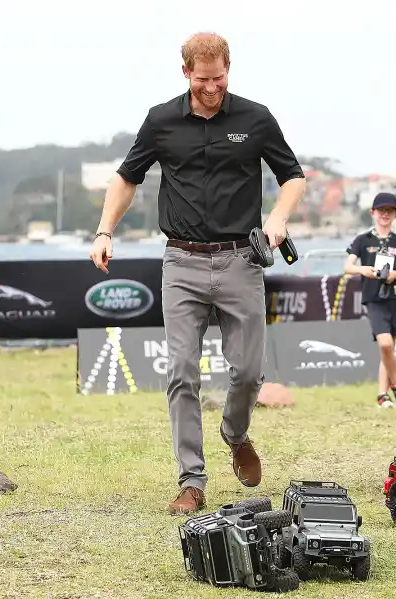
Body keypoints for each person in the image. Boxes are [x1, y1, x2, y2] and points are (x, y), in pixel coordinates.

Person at [88, 32, 306, 515]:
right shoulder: (161, 120)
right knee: (181, 372)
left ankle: (235, 432)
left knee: (248, 372)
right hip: (181, 262)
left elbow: (292, 175)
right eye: (204, 79)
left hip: (241, 261)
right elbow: (127, 178)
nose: (213, 88)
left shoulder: (255, 117)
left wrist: (278, 217)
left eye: (220, 77)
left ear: (230, 69)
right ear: (186, 72)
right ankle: (191, 481)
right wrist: (105, 230)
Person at [343, 192, 396, 408]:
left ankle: (382, 394)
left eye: (389, 211)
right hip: (373, 297)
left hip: (395, 296)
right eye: (381, 210)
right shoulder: (363, 240)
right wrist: (363, 270)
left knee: (391, 348)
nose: (385, 214)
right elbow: (347, 266)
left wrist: (393, 275)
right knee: (385, 344)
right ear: (372, 213)